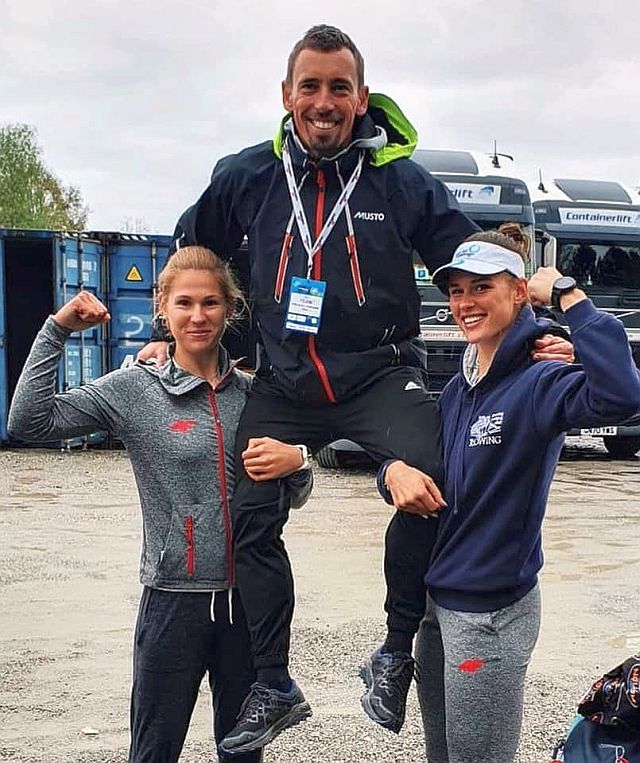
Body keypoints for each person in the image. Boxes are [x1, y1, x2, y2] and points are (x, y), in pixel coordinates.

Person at [138, 24, 574, 754]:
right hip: (284, 382)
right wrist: (169, 332)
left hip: (378, 374)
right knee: (247, 516)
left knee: (433, 479)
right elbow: (196, 251)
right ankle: (274, 684)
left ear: (361, 97)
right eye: (310, 86)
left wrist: (538, 331)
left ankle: (396, 651)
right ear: (287, 95)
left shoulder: (400, 182)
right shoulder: (248, 175)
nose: (324, 102)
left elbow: (477, 266)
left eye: (339, 88)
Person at [8, 247, 312, 763]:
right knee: (153, 751)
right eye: (185, 303)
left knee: (243, 754)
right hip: (174, 602)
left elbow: (292, 497)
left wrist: (298, 463)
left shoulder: (255, 395)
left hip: (248, 605)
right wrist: (57, 330)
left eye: (210, 302)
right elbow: (28, 423)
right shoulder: (135, 390)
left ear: (229, 308)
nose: (198, 316)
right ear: (163, 308)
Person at [375, 229, 640, 762]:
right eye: (456, 291)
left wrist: (567, 295)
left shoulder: (542, 379)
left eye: (482, 287)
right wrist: (392, 473)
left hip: (490, 614)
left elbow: (623, 393)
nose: (465, 303)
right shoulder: (458, 390)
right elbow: (423, 464)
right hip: (434, 603)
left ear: (519, 291)